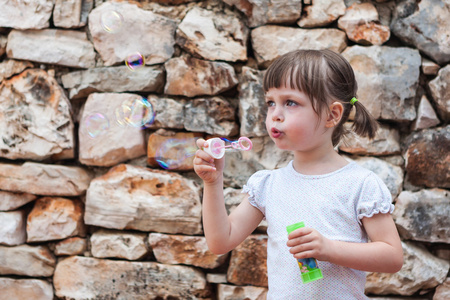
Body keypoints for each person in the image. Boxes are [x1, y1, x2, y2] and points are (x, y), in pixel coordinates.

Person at [193, 49, 403, 299]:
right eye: (271, 102)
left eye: (290, 102)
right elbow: (220, 242)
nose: (275, 114)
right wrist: (213, 183)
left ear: (332, 115)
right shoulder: (268, 185)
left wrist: (329, 249)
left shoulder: (359, 184)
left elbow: (392, 257)